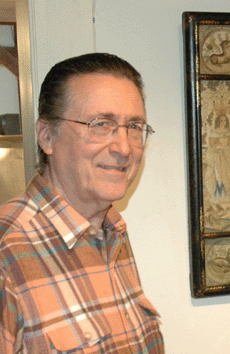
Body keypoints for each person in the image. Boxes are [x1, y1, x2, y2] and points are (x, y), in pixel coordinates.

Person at [0, 53, 164, 353]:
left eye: (134, 127)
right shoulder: (7, 252)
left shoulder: (113, 233)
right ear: (47, 136)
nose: (124, 148)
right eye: (101, 124)